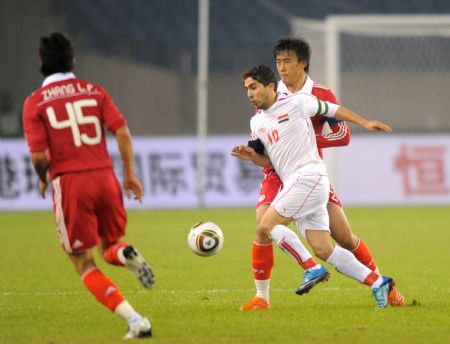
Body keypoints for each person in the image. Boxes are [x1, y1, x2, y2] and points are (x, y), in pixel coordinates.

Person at [240, 37, 404, 310]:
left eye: (287, 61)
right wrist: (254, 156)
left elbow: (339, 125)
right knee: (314, 244)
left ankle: (312, 270)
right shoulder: (263, 105)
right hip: (281, 174)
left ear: (302, 63)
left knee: (339, 236)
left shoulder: (306, 98)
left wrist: (361, 122)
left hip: (308, 174)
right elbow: (267, 149)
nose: (281, 67)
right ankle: (378, 283)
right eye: (278, 62)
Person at [23, 32, 154, 339]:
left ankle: (135, 320)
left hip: (71, 183)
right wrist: (130, 174)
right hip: (105, 177)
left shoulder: (34, 103)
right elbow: (121, 131)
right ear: (72, 60)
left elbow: (38, 155)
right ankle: (124, 255)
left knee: (82, 262)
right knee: (109, 244)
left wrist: (44, 177)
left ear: (41, 63)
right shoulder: (94, 91)